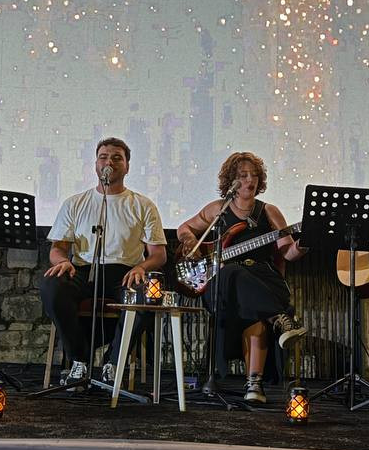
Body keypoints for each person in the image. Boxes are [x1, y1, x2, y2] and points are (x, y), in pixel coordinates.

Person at [176, 152, 308, 404]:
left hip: (262, 281)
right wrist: (190, 240)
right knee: (230, 271)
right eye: (243, 175)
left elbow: (288, 253)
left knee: (250, 306)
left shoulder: (268, 211)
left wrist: (304, 244)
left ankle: (254, 383)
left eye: (254, 175)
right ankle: (279, 318)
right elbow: (185, 228)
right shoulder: (217, 210)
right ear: (231, 181)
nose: (250, 180)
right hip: (222, 285)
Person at [40, 137, 167, 388]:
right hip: (82, 269)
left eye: (117, 158)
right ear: (96, 164)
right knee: (51, 286)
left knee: (148, 295)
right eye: (103, 157)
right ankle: (79, 361)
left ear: (127, 166)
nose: (109, 162)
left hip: (125, 273)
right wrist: (62, 261)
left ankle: (113, 362)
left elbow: (159, 254)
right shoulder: (75, 203)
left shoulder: (142, 205)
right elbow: (58, 248)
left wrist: (141, 267)